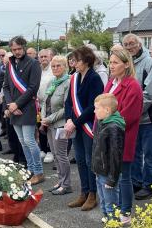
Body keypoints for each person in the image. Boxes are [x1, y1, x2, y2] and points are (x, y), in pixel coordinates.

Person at [104, 49, 143, 225]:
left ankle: (125, 212)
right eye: (110, 62)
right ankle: (113, 209)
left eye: (115, 62)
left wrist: (106, 126)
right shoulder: (111, 82)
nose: (111, 66)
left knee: (124, 177)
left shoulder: (133, 86)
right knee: (112, 176)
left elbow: (128, 117)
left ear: (126, 64)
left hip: (122, 138)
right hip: (106, 137)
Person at [64, 46, 104, 211]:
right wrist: (68, 119)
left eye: (77, 60)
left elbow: (92, 106)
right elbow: (68, 102)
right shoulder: (74, 78)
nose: (74, 63)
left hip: (88, 125)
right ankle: (84, 192)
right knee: (80, 160)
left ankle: (93, 195)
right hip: (76, 125)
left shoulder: (94, 78)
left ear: (86, 61)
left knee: (89, 161)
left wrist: (75, 122)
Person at [122, 34, 152, 200]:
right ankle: (136, 182)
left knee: (149, 154)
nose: (130, 47)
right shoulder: (128, 63)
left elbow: (149, 94)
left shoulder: (150, 63)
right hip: (133, 119)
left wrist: (133, 112)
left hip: (148, 118)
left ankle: (148, 185)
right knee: (135, 152)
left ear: (139, 44)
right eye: (126, 45)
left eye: (132, 44)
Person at [3, 36, 44, 185]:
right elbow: (6, 86)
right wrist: (10, 105)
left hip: (27, 107)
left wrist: (17, 105)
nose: (17, 52)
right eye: (14, 50)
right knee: (22, 141)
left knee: (29, 141)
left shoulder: (33, 64)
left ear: (24, 47)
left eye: (19, 49)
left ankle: (38, 172)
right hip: (14, 108)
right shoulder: (10, 64)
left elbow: (33, 88)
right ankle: (31, 170)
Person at [41, 55, 72, 195]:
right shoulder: (52, 82)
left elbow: (67, 108)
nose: (55, 68)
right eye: (53, 66)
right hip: (49, 124)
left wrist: (50, 119)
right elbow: (45, 102)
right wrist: (43, 118)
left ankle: (66, 184)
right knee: (54, 154)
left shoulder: (68, 82)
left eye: (58, 65)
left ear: (65, 67)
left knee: (61, 155)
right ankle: (60, 181)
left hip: (60, 124)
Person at [92, 93, 125, 222]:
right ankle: (107, 218)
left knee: (111, 204)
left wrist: (112, 179)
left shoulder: (114, 127)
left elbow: (115, 156)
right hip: (100, 171)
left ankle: (113, 222)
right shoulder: (102, 123)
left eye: (96, 108)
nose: (94, 111)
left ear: (107, 110)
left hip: (108, 174)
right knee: (104, 201)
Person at [37, 49, 55, 163]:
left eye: (45, 56)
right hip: (38, 103)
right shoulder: (38, 70)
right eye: (41, 57)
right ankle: (43, 149)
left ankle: (50, 151)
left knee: (48, 127)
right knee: (40, 125)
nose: (43, 59)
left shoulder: (53, 70)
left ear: (51, 57)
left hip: (49, 104)